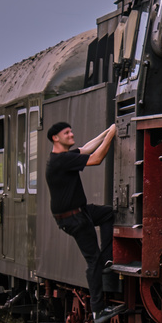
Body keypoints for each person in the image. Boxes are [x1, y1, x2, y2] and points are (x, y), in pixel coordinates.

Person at [46, 121, 118, 304]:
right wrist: (112, 134)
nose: (71, 135)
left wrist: (107, 131)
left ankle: (108, 260)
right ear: (56, 138)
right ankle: (98, 308)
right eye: (67, 133)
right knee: (93, 261)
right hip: (74, 218)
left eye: (71, 131)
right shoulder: (61, 161)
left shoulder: (64, 157)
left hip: (80, 213)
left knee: (108, 214)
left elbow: (86, 148)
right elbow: (96, 158)